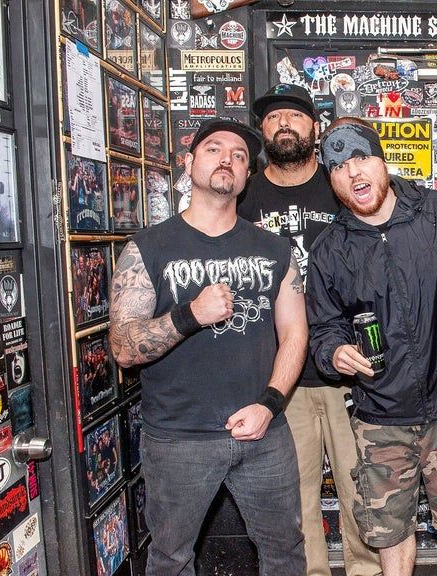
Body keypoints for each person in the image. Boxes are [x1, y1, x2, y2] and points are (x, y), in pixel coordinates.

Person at [108, 118, 307, 576]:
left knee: (286, 553)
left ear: (247, 175)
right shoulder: (148, 248)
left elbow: (296, 333)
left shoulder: (275, 249)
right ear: (189, 162)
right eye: (214, 149)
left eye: (239, 156)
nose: (227, 160)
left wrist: (270, 404)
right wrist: (190, 315)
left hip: (263, 432)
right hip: (178, 437)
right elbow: (123, 347)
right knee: (171, 559)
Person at [306, 118, 437, 576]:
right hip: (380, 418)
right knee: (388, 532)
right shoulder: (330, 249)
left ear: (382, 161)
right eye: (338, 166)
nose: (353, 173)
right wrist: (334, 353)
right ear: (330, 179)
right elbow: (323, 327)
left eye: (361, 158)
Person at [239, 84, 381, 576]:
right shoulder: (244, 194)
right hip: (279, 375)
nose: (284, 123)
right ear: (262, 131)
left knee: (363, 491)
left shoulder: (340, 183)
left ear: (315, 128)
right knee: (293, 501)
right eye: (273, 117)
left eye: (295, 115)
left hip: (349, 369)